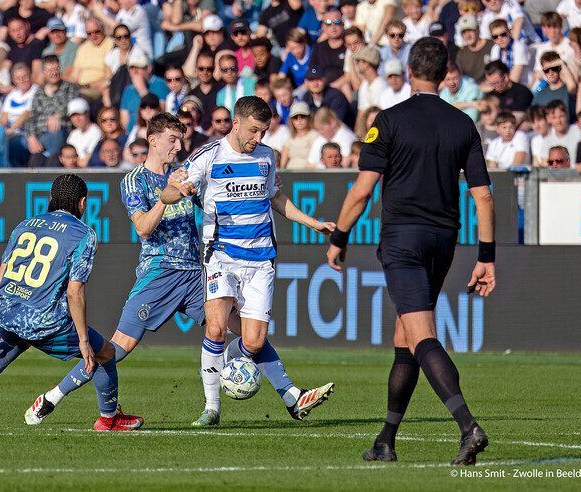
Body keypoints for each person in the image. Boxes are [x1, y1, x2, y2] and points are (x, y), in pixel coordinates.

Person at [326, 37, 495, 466]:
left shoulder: (388, 120)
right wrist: (487, 257)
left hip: (403, 240)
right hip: (444, 240)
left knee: (421, 336)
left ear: (410, 69)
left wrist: (339, 238)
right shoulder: (462, 124)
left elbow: (362, 190)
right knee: (405, 337)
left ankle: (468, 426)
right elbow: (484, 197)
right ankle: (386, 439)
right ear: (445, 73)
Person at [161, 99, 336, 426]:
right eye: (253, 130)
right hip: (221, 256)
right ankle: (211, 407)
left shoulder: (267, 157)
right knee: (215, 327)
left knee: (253, 342)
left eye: (263, 131)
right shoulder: (208, 155)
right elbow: (168, 195)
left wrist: (312, 222)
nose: (258, 137)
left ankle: (229, 367)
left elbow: (275, 197)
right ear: (236, 123)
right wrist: (177, 189)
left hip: (261, 260)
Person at [0, 174, 144, 433]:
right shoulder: (84, 234)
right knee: (104, 354)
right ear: (83, 203)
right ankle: (109, 419)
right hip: (45, 319)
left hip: (9, 310)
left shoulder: (25, 225)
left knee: (16, 337)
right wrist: (83, 340)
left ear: (51, 200)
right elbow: (75, 291)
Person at [26, 55, 80, 164]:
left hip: (60, 132)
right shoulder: (38, 93)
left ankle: (50, 167)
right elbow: (31, 118)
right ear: (44, 72)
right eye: (50, 70)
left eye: (56, 69)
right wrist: (31, 137)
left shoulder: (69, 87)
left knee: (55, 136)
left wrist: (57, 115)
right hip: (39, 135)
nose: (54, 73)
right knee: (17, 142)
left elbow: (70, 105)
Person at [532, 52, 577, 121]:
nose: (551, 73)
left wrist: (562, 63)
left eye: (554, 68)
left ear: (559, 68)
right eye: (547, 70)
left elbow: (573, 87)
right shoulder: (540, 94)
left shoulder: (568, 88)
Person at [488, 19, 531, 86]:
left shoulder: (519, 47)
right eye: (495, 37)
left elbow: (514, 79)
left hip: (523, 86)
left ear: (509, 32)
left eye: (503, 34)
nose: (500, 39)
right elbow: (494, 74)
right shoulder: (495, 49)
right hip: (503, 85)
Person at [310, 8, 348, 85]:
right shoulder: (318, 48)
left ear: (343, 24)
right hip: (322, 87)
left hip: (344, 86)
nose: (333, 27)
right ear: (323, 26)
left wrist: (333, 87)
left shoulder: (350, 46)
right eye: (328, 23)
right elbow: (313, 70)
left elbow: (351, 74)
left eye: (337, 22)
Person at [541, 99, 581, 164]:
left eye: (561, 116)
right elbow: (545, 165)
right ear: (548, 119)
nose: (558, 121)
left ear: (567, 115)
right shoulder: (547, 142)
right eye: (554, 117)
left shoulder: (579, 130)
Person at [454, 14, 492, 84]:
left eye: (470, 30)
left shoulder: (491, 46)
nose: (467, 35)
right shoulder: (461, 53)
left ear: (478, 29)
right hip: (471, 90)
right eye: (464, 32)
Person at [281, 101, 318, 169]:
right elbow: (283, 161)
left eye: (303, 116)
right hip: (290, 174)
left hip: (308, 174)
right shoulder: (290, 137)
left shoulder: (315, 136)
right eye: (295, 117)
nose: (299, 120)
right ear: (291, 120)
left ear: (308, 117)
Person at [66, 98, 103, 167]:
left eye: (79, 114)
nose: (76, 119)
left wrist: (73, 161)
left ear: (88, 113)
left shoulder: (97, 132)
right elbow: (66, 159)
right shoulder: (73, 134)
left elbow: (85, 162)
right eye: (73, 115)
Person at [355, 46, 387, 125]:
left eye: (358, 61)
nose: (356, 64)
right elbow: (361, 114)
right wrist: (358, 136)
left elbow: (377, 117)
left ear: (366, 64)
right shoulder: (364, 84)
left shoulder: (381, 86)